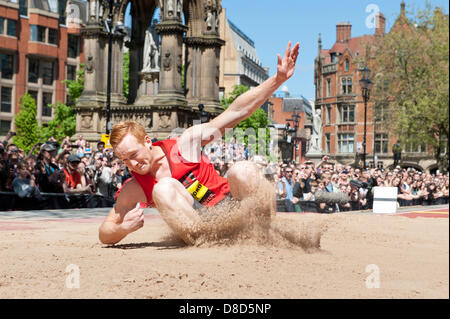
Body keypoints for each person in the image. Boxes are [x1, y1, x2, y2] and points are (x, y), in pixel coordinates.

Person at [98, 41, 300, 245]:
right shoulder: (135, 187)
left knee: (243, 170)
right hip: (202, 228)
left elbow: (235, 112)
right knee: (162, 188)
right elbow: (105, 232)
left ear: (147, 141)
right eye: (124, 160)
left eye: (133, 155)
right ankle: (206, 243)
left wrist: (277, 80)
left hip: (231, 208)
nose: (132, 164)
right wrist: (122, 228)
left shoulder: (184, 144)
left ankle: (265, 233)